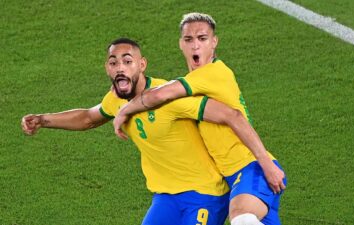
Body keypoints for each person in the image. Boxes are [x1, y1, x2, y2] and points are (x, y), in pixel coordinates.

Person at [21, 38, 262, 225]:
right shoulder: (115, 100)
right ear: (107, 68)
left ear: (142, 65)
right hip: (166, 197)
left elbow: (228, 114)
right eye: (113, 62)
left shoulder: (169, 97)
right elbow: (88, 118)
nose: (120, 68)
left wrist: (261, 162)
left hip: (205, 194)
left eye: (127, 61)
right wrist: (43, 119)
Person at [113, 13, 287, 225]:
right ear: (181, 44)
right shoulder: (198, 80)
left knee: (242, 219)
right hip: (234, 178)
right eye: (189, 40)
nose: (195, 46)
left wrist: (125, 110)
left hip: (251, 168)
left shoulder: (213, 73)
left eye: (202, 39)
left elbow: (158, 95)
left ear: (214, 42)